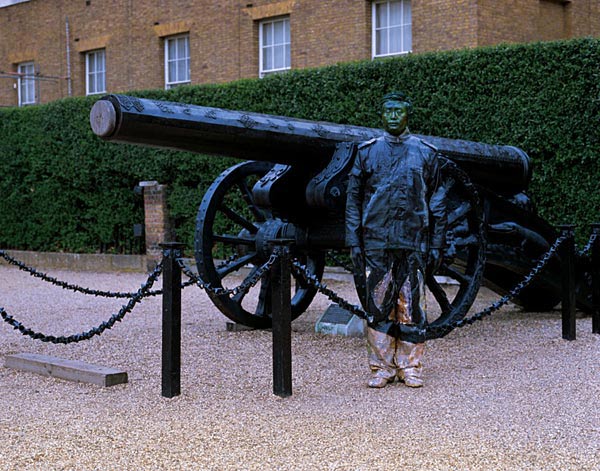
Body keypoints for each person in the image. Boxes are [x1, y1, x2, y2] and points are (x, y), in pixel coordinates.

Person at [345, 91, 447, 388]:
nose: (392, 116)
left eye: (398, 111)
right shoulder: (367, 153)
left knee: (412, 307)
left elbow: (438, 202)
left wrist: (437, 243)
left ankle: (410, 366)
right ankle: (382, 367)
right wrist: (353, 240)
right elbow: (353, 201)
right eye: (388, 110)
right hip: (377, 240)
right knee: (378, 306)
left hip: (414, 240)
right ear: (382, 114)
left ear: (406, 114)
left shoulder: (425, 153)